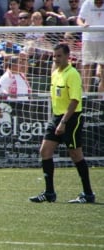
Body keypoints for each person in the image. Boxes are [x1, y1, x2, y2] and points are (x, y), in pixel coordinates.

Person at [29, 43, 95, 204]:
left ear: (67, 56)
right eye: (54, 56)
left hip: (71, 118)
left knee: (75, 155)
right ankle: (49, 192)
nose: (56, 59)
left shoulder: (72, 74)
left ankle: (88, 193)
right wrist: (57, 120)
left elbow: (74, 100)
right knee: (45, 151)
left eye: (59, 56)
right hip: (57, 117)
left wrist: (64, 122)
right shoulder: (55, 73)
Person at [77, 0, 104, 92]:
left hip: (102, 39)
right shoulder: (87, 3)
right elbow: (79, 19)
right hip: (88, 38)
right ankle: (86, 93)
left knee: (103, 66)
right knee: (87, 65)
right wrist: (83, 25)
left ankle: (101, 94)